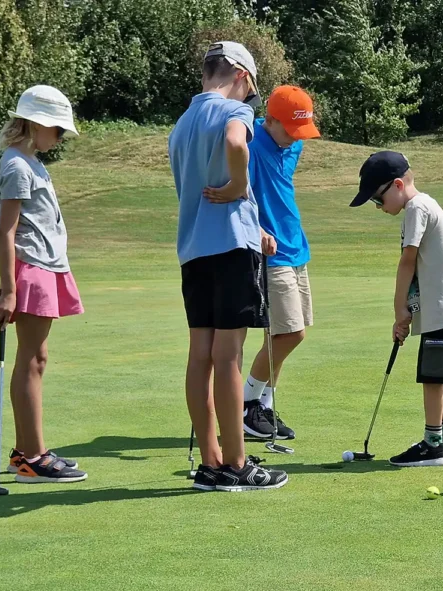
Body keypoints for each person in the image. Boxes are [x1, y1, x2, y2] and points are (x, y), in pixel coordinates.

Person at [168, 41, 286, 492]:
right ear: (240, 75)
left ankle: (212, 461)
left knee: (200, 354)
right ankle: (237, 464)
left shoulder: (180, 125)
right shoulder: (234, 113)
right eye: (251, 90)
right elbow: (237, 143)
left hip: (194, 251)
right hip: (232, 251)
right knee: (229, 356)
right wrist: (240, 186)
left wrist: (251, 221)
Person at [350, 151, 443, 467]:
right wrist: (409, 309)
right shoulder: (425, 205)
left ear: (396, 185)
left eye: (379, 200)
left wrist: (398, 309)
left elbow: (407, 261)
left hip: (441, 310)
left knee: (433, 377)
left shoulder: (416, 208)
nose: (380, 208)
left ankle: (433, 445)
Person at [0, 85, 88, 483]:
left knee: (37, 359)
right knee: (31, 360)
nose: (61, 137)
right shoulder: (16, 165)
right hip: (31, 270)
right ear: (35, 123)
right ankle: (32, 458)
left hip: (45, 268)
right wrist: (8, 288)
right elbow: (5, 232)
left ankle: (26, 452)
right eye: (58, 129)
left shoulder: (30, 161)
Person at [236, 86, 320, 442]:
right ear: (269, 120)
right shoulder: (250, 147)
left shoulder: (293, 144)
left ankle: (265, 406)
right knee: (290, 333)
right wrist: (256, 230)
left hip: (296, 247)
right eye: (291, 130)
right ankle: (246, 403)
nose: (296, 139)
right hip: (270, 255)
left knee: (281, 334)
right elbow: (238, 195)